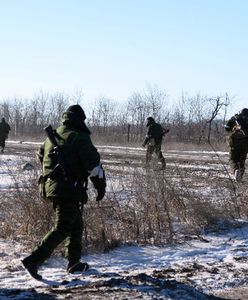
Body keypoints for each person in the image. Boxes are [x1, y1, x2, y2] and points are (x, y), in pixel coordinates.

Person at [22, 104, 106, 280]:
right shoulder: (79, 137)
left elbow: (41, 156)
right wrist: (100, 187)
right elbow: (93, 167)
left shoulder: (53, 136)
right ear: (80, 120)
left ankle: (73, 263)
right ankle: (33, 259)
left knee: (76, 224)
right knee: (62, 227)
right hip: (69, 188)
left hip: (52, 188)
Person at [225, 108, 248, 182]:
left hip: (234, 142)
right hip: (246, 143)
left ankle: (235, 171)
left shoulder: (234, 118)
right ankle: (240, 175)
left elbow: (227, 128)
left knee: (232, 159)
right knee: (242, 159)